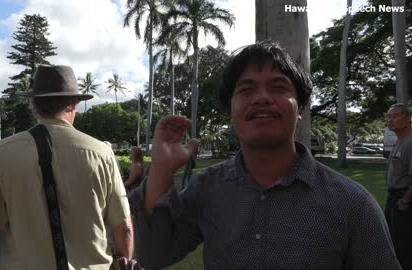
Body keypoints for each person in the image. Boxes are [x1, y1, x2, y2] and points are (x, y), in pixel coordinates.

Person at [128, 40, 401, 269]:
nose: (261, 98)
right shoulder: (206, 188)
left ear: (301, 108)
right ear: (230, 110)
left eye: (278, 87)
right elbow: (153, 256)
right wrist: (162, 169)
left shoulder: (353, 204)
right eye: (246, 90)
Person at [0, 65, 133, 270]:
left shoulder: (1, 153)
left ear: (33, 103)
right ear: (74, 104)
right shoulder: (102, 153)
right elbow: (124, 228)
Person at [385, 103, 412, 269]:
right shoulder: (400, 140)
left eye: (395, 116)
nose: (390, 120)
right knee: (392, 242)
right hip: (394, 198)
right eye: (388, 116)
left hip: (404, 201)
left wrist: (404, 202)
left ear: (409, 118)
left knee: (404, 248)